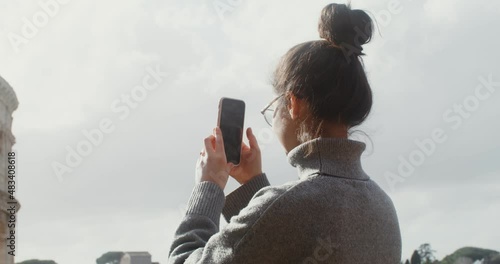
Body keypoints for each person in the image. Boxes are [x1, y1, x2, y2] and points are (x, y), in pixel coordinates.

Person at [168, 2, 402, 263]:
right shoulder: (383, 206)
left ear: (293, 103)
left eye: (274, 105)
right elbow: (281, 241)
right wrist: (254, 187)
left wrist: (208, 187)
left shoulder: (287, 206)